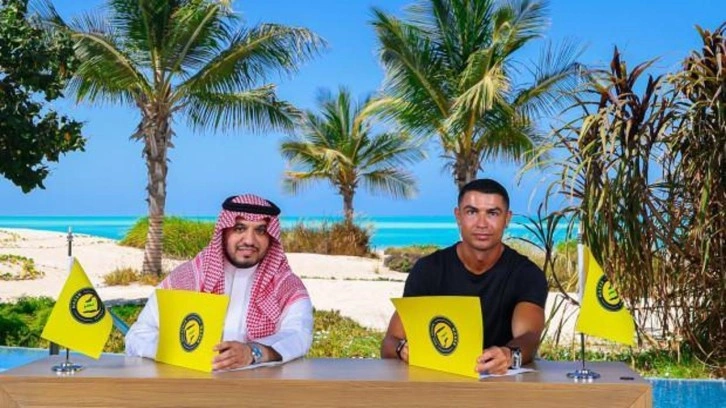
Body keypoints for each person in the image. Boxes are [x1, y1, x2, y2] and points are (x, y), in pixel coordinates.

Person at [125, 194, 313, 370]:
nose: (249, 240)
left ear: (270, 237)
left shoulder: (286, 285)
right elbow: (138, 335)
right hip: (191, 385)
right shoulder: (188, 277)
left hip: (259, 388)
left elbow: (299, 334)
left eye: (260, 231)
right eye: (239, 228)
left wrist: (253, 352)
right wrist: (186, 353)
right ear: (224, 232)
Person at [381, 179, 547, 375]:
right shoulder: (429, 269)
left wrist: (509, 354)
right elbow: (390, 341)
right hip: (438, 381)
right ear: (458, 216)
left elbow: (529, 336)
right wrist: (402, 349)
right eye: (472, 212)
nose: (482, 224)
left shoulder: (526, 274)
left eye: (493, 213)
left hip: (502, 382)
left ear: (507, 219)